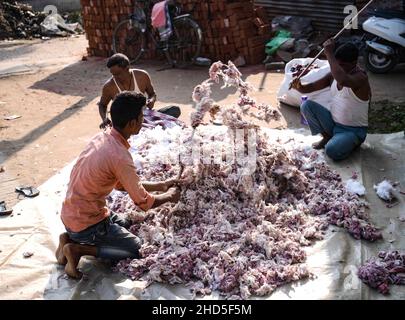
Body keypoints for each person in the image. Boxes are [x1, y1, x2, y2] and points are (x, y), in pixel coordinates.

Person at [56, 92, 181, 279]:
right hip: (87, 224)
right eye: (141, 117)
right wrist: (171, 196)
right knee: (136, 249)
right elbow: (143, 203)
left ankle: (69, 237)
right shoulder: (120, 156)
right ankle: (78, 250)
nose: (143, 121)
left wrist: (163, 185)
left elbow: (121, 186)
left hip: (73, 214)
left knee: (127, 221)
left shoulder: (102, 137)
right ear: (131, 123)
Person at [291, 39, 371, 161]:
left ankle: (350, 142)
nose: (339, 68)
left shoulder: (361, 78)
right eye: (338, 64)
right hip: (334, 124)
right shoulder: (334, 75)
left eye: (343, 65)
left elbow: (343, 80)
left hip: (353, 131)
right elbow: (311, 87)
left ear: (354, 63)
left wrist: (329, 53)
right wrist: (299, 87)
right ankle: (328, 136)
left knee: (331, 150)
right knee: (306, 105)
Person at [98, 53, 181, 129]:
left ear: (127, 68)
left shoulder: (142, 76)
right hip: (127, 123)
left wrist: (151, 100)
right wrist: (105, 118)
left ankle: (151, 126)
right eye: (113, 74)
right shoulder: (109, 86)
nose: (115, 77)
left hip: (145, 115)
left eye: (118, 74)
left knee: (174, 110)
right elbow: (102, 104)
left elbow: (152, 94)